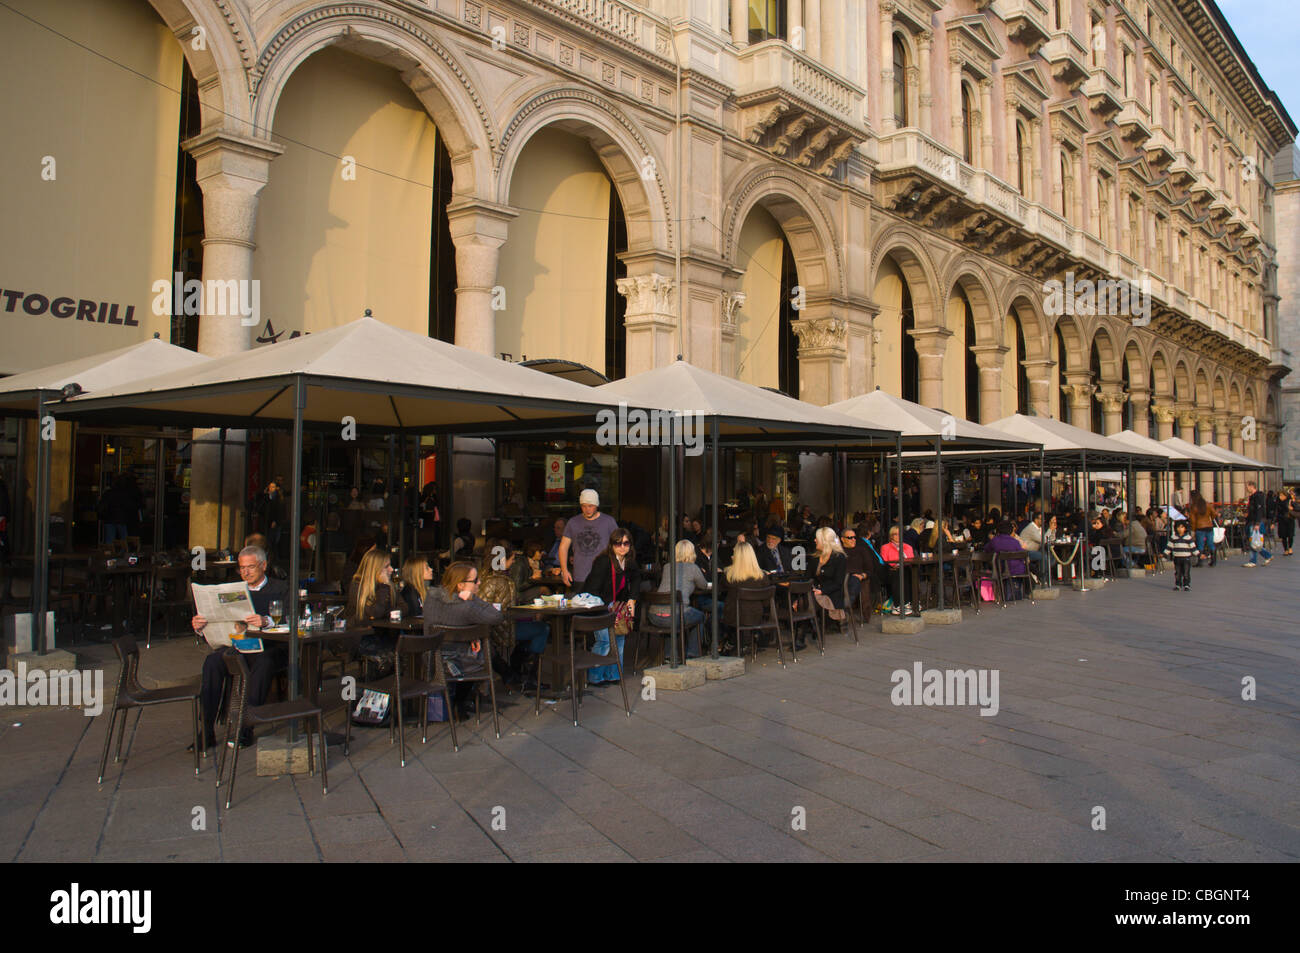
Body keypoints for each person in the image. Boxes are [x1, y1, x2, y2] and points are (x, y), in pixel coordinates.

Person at [191, 546, 288, 749]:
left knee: (263, 663)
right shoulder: (232, 589)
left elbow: (291, 619)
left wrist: (266, 621)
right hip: (239, 645)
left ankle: (246, 727)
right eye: (242, 568)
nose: (245, 572)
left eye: (251, 567)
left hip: (270, 647)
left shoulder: (281, 588)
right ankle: (206, 730)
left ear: (263, 566)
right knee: (212, 662)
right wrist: (201, 626)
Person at [423, 561, 505, 718]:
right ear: (460, 585)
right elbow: (497, 617)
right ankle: (460, 702)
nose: (479, 583)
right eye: (475, 581)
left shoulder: (430, 598)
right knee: (485, 654)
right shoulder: (466, 607)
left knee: (477, 647)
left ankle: (457, 702)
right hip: (459, 663)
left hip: (431, 659)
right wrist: (473, 599)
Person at [581, 528, 640, 685]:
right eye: (618, 543)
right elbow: (593, 590)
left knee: (619, 639)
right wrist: (609, 605)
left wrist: (632, 600)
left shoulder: (629, 561)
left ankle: (613, 674)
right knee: (605, 641)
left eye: (626, 543)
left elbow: (636, 578)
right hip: (597, 608)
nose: (622, 547)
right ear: (611, 545)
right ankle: (594, 676)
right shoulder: (604, 562)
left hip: (615, 609)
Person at [649, 540, 709, 658]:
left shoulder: (667, 567)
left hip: (654, 615)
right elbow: (704, 585)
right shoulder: (693, 568)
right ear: (692, 553)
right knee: (699, 617)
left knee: (672, 615)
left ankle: (669, 655)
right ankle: (692, 653)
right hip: (675, 616)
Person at [558, 488, 619, 589]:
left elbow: (619, 546)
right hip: (580, 576)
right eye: (584, 506)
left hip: (603, 575)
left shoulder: (609, 522)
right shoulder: (573, 522)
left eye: (590, 506)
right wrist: (564, 571)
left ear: (597, 505)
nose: (587, 509)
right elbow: (563, 547)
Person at [721, 541, 769, 650]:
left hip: (734, 617)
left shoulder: (729, 576)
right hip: (756, 615)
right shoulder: (762, 576)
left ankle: (730, 641)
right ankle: (747, 639)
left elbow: (720, 590)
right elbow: (766, 602)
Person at [810, 526, 847, 626]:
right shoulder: (815, 557)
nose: (814, 540)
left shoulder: (839, 557)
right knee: (802, 600)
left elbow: (838, 583)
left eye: (817, 538)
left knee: (807, 601)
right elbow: (809, 577)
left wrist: (822, 591)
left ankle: (810, 629)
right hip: (814, 591)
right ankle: (812, 627)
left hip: (830, 594)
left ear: (824, 541)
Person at [879, 525, 915, 614]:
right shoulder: (885, 547)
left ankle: (908, 602)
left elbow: (911, 559)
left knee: (910, 573)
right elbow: (885, 560)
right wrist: (894, 565)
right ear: (891, 536)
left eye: (900, 534)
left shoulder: (908, 546)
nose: (898, 536)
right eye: (895, 534)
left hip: (905, 568)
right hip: (891, 570)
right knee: (898, 574)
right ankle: (897, 605)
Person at [984, 521, 1027, 595]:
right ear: (1011, 531)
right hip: (1018, 570)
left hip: (1002, 569)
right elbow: (1022, 555)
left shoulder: (995, 540)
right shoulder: (1015, 542)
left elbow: (986, 549)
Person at [1242, 481, 1273, 567]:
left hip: (1255, 522)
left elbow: (1259, 510)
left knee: (1254, 541)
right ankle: (1267, 556)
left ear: (1252, 486)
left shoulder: (1257, 496)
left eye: (1247, 487)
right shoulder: (1252, 497)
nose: (1246, 488)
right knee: (1254, 541)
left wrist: (1257, 523)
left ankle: (1253, 560)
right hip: (1252, 520)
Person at [842, 525, 871, 614]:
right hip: (842, 577)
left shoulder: (861, 550)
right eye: (850, 538)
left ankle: (843, 610)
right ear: (842, 539)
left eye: (854, 537)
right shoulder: (839, 551)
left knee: (854, 581)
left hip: (857, 577)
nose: (853, 539)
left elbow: (870, 568)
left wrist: (862, 575)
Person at [1164, 520, 1199, 591]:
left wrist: (1198, 554)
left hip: (1186, 558)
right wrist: (1165, 553)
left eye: (1182, 527)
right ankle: (1178, 584)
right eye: (1178, 527)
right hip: (1177, 557)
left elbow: (1193, 547)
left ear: (1185, 528)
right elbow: (1169, 546)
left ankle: (1186, 585)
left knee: (1186, 572)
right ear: (1175, 528)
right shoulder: (1173, 537)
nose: (1180, 529)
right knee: (1178, 572)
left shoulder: (1188, 538)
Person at [255, 480, 285, 557]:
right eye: (270, 487)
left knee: (272, 541)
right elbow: (260, 505)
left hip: (274, 522)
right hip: (266, 521)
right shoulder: (266, 497)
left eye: (273, 487)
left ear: (276, 488)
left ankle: (274, 557)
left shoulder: (278, 498)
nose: (271, 489)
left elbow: (279, 510)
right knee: (266, 540)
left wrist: (275, 520)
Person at [1188, 490, 1215, 567]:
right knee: (1211, 544)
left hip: (1199, 527)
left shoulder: (1194, 506)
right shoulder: (1207, 504)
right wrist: (1210, 519)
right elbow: (1214, 513)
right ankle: (1213, 560)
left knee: (1200, 545)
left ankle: (1200, 562)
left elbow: (1192, 520)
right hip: (1209, 526)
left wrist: (1193, 530)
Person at [1277, 489, 1296, 556]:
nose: (1280, 497)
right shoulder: (1278, 502)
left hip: (1290, 520)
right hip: (1281, 520)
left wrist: (1292, 508)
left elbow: (1297, 508)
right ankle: (1285, 549)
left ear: (1285, 495)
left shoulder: (1290, 501)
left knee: (1290, 535)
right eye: (1279, 495)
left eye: (1281, 495)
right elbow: (1277, 512)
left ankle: (1290, 548)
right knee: (1283, 536)